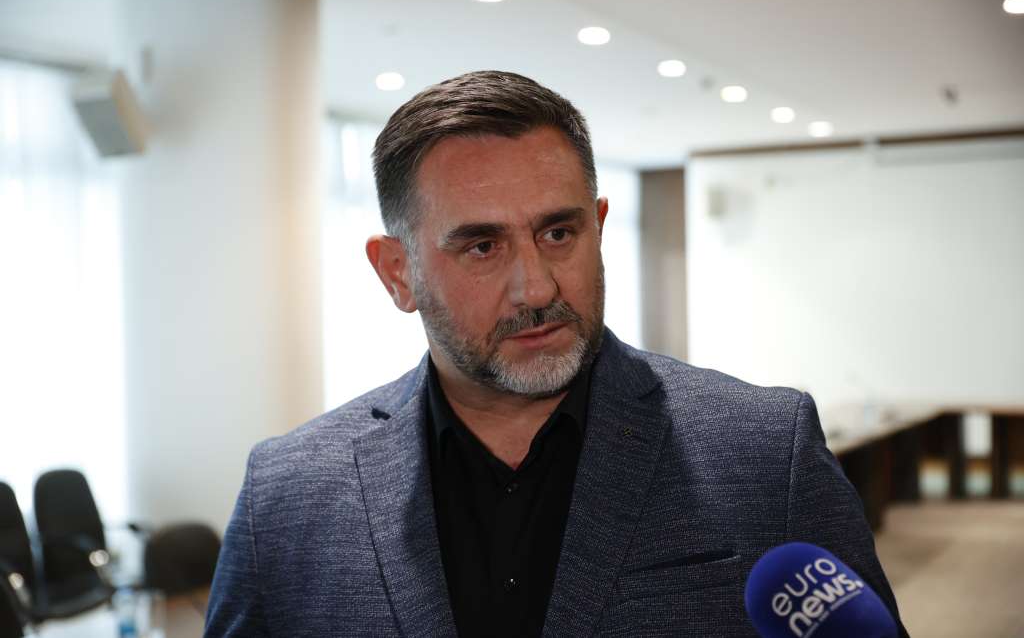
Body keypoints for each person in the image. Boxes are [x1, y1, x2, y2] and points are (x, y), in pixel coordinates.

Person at [205, 70, 905, 637]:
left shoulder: (765, 454)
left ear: (598, 227)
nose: (537, 287)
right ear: (397, 273)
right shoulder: (287, 496)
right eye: (483, 246)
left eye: (559, 233)